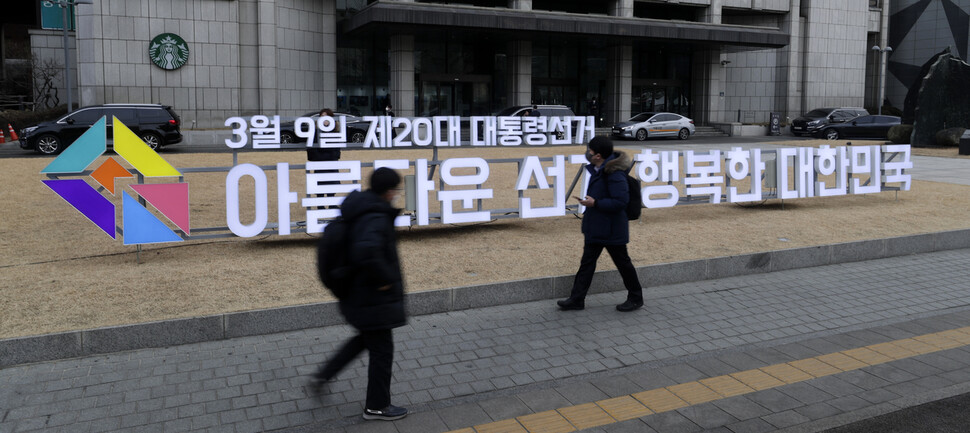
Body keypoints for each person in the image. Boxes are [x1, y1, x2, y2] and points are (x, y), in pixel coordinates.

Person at [309, 168, 408, 421]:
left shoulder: (364, 208)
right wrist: (385, 281)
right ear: (388, 192)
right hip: (372, 297)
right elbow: (367, 251)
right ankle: (377, 406)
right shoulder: (375, 215)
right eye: (396, 189)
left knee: (366, 339)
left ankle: (323, 375)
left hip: (360, 295)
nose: (397, 194)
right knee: (382, 350)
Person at [558, 136, 644, 312]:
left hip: (612, 229)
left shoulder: (614, 173)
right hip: (597, 227)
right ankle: (576, 299)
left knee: (623, 263)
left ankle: (636, 297)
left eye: (590, 151)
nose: (587, 154)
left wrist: (595, 203)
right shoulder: (599, 169)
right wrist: (591, 202)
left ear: (598, 155)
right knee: (587, 263)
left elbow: (621, 201)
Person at [307, 108, 341, 209]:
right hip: (319, 163)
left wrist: (327, 156)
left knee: (332, 182)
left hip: (331, 164)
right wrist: (322, 157)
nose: (324, 120)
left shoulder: (335, 133)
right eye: (322, 117)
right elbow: (311, 151)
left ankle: (331, 202)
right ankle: (320, 204)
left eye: (327, 117)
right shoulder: (314, 132)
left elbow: (337, 152)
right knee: (319, 183)